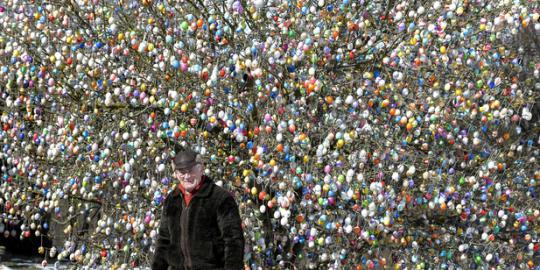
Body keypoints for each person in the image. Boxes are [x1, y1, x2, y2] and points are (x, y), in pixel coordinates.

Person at [152, 149, 245, 270]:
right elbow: (164, 241)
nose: (186, 176)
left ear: (201, 169)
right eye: (181, 171)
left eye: (190, 170)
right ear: (175, 173)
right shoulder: (172, 199)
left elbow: (233, 241)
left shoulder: (220, 198)